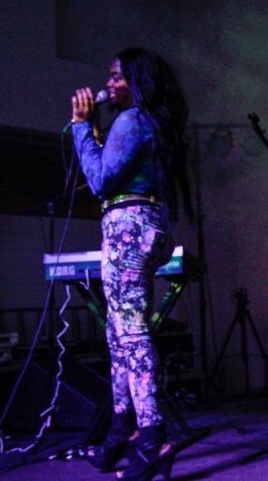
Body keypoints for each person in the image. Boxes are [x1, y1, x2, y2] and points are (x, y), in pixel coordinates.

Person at [69, 48, 192, 481]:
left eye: (117, 77)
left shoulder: (132, 119)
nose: (109, 84)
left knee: (132, 335)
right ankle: (121, 428)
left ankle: (152, 436)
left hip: (128, 228)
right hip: (146, 226)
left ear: (139, 82)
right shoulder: (152, 123)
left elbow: (101, 180)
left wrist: (81, 128)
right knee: (119, 334)